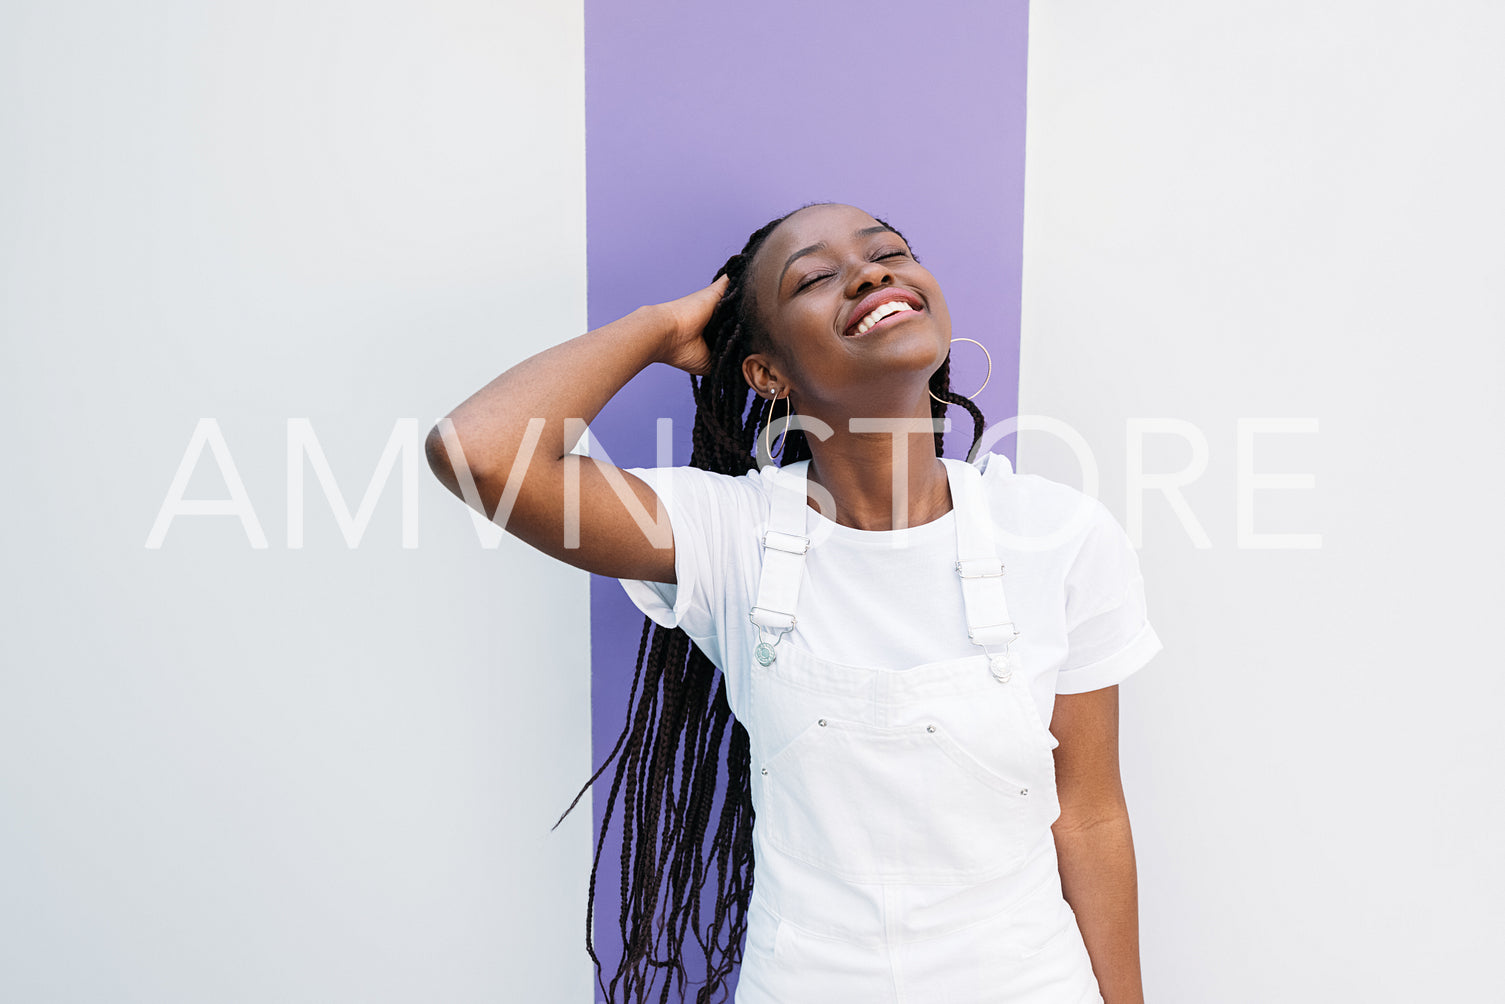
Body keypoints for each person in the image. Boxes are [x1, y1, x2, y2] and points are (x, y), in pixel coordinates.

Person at [426, 202, 1164, 1004]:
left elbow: (1089, 815)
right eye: (814, 277)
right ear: (767, 375)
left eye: (890, 253)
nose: (872, 272)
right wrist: (658, 326)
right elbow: (477, 454)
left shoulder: (1058, 536)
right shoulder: (726, 534)